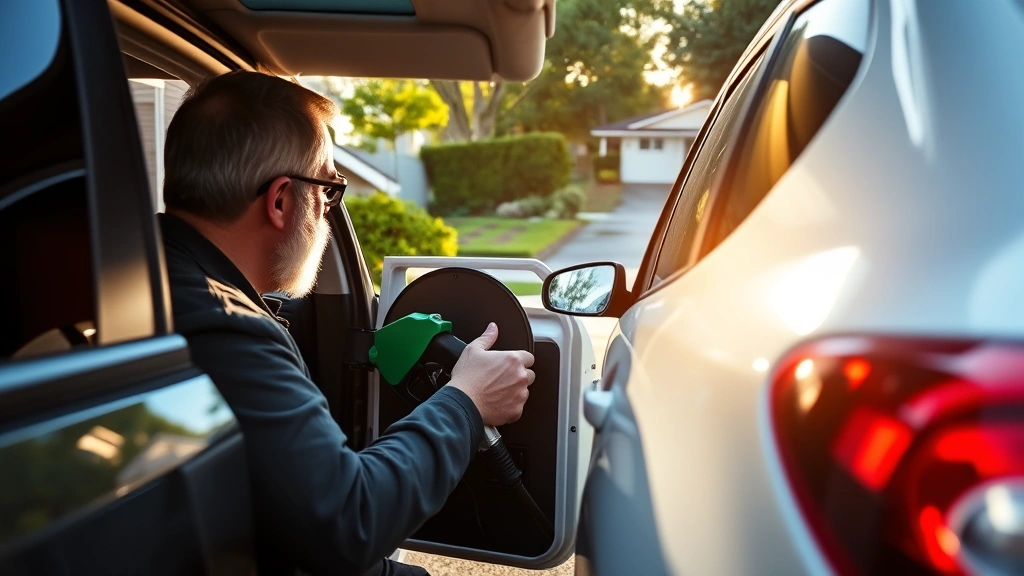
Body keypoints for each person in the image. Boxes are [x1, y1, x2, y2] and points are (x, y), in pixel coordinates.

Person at [158, 70, 535, 575]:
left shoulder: (154, 282)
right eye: (329, 188)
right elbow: (347, 520)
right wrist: (465, 402)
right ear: (281, 201)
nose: (328, 209)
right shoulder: (227, 327)